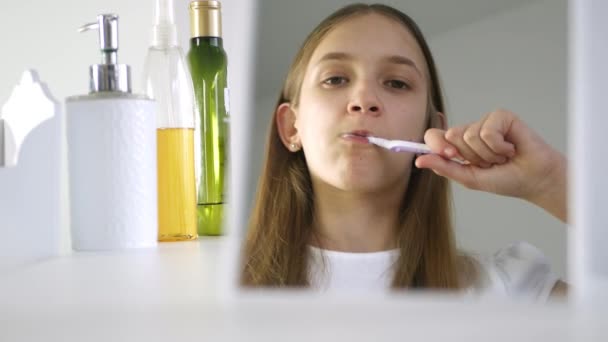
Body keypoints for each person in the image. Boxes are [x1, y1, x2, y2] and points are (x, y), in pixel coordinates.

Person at [241, 3, 568, 301]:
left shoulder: (509, 289)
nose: (363, 98)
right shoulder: (210, 286)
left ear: (432, 132)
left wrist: (551, 182)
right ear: (290, 127)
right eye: (336, 79)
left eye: (396, 83)